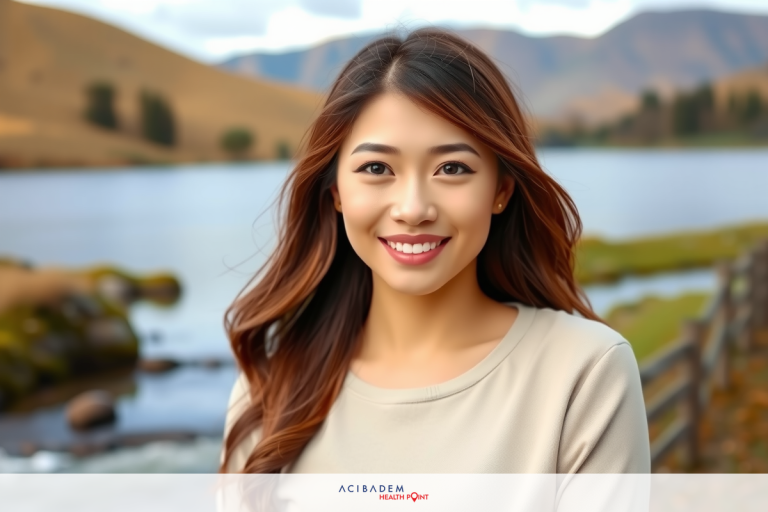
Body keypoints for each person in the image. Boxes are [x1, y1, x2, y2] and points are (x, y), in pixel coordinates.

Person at [219, 27, 650, 475]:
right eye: (376, 168)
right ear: (336, 193)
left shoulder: (584, 372)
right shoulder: (268, 388)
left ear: (500, 191)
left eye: (452, 168)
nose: (413, 209)